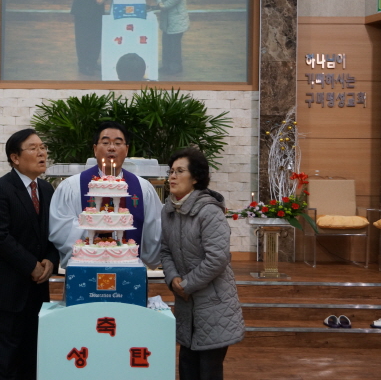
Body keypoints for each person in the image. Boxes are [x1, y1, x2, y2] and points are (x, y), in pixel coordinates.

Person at [0, 129, 59, 380]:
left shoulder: (46, 189)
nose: (41, 153)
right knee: (4, 362)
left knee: (32, 357)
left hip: (37, 290)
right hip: (5, 289)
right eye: (33, 148)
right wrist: (31, 265)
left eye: (43, 147)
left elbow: (54, 233)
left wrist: (51, 260)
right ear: (15, 158)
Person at [160, 147, 244, 380]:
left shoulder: (209, 212)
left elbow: (217, 258)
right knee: (187, 367)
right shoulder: (168, 211)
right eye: (171, 171)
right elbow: (165, 251)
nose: (172, 176)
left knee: (208, 371)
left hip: (214, 305)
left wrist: (186, 285)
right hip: (186, 305)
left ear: (195, 178)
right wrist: (173, 278)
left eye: (180, 171)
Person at [49, 121, 162, 269]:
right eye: (106, 142)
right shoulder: (72, 186)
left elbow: (154, 230)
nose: (112, 148)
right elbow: (60, 227)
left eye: (118, 143)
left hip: (129, 270)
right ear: (95, 149)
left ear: (126, 150)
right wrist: (95, 227)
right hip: (85, 269)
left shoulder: (143, 188)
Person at [152, 0, 190, 75]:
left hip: (176, 14)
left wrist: (165, 5)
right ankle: (166, 65)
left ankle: (176, 66)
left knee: (174, 43)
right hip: (166, 15)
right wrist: (159, 2)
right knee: (166, 41)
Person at [71, 0, 108, 76]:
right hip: (83, 6)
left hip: (98, 7)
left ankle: (92, 61)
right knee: (83, 37)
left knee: (96, 36)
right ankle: (83, 65)